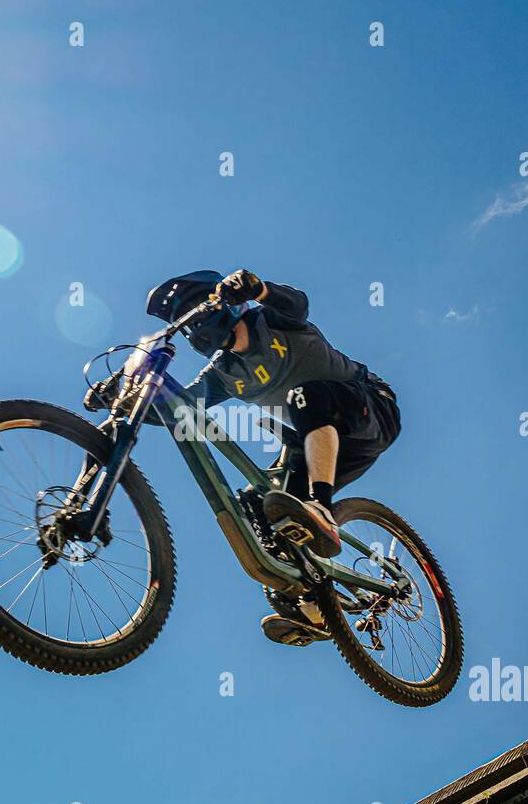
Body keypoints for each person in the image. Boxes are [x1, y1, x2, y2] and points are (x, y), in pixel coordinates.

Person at [145, 269, 401, 644]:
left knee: (307, 395)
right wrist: (130, 397)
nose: (190, 330)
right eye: (181, 324)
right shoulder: (224, 373)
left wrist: (258, 288)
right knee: (259, 505)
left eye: (191, 314)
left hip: (370, 410)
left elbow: (297, 304)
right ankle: (312, 605)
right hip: (322, 449)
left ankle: (323, 510)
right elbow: (178, 409)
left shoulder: (270, 320)